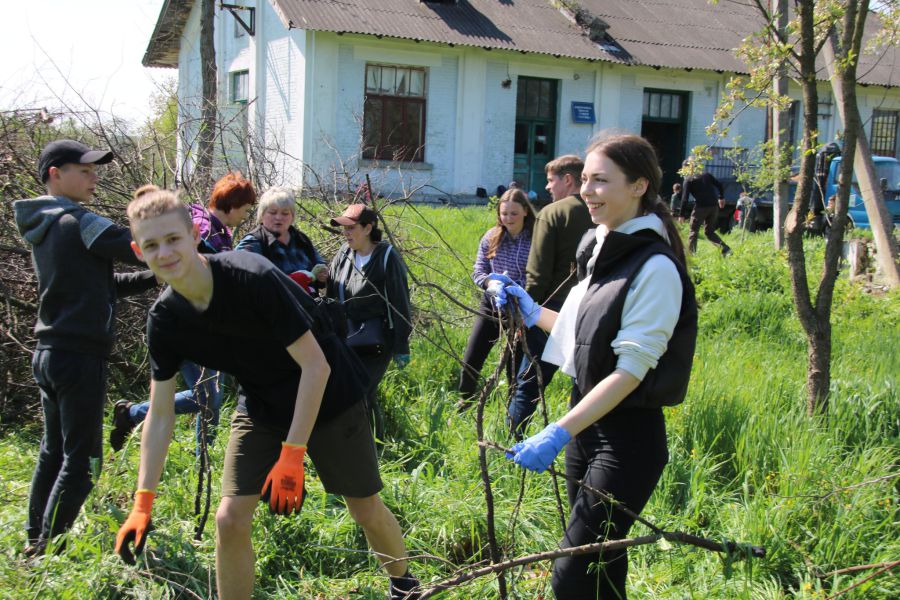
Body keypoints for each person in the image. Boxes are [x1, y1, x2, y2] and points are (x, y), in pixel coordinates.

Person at [115, 191, 421, 600]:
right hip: (262, 402)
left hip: (329, 396)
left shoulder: (250, 276)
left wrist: (292, 455)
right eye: (151, 245)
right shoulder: (166, 321)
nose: (165, 252)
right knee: (230, 518)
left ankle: (404, 585)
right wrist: (142, 501)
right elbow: (161, 414)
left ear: (193, 234)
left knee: (363, 507)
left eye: (173, 239)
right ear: (138, 251)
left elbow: (316, 367)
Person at [489, 133, 697, 599]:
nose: (586, 191)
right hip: (587, 428)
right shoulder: (603, 248)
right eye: (584, 179)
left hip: (625, 440)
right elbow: (582, 333)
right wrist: (529, 309)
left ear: (639, 185)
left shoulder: (654, 267)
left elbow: (630, 371)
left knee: (572, 575)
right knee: (602, 568)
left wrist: (557, 430)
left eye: (601, 180)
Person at [13, 140, 157, 556]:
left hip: (50, 351)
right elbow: (138, 246)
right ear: (56, 173)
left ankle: (34, 542)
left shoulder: (48, 224)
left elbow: (103, 287)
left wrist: (153, 278)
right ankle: (47, 552)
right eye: (85, 170)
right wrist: (180, 245)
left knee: (53, 451)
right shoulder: (79, 222)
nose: (95, 178)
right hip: (78, 356)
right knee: (83, 461)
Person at [110, 173, 258, 453]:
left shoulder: (220, 230)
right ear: (232, 204)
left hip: (212, 324)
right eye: (246, 208)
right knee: (208, 395)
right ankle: (134, 414)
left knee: (208, 395)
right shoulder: (200, 225)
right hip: (189, 321)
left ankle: (203, 455)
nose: (245, 214)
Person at [508, 155, 593, 437]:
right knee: (584, 386)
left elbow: (537, 274)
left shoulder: (554, 213)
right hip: (594, 311)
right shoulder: (607, 213)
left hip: (550, 312)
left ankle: (512, 444)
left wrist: (524, 314)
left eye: (550, 180)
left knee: (529, 383)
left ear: (567, 180)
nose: (547, 187)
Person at [325, 204, 412, 439]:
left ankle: (372, 444)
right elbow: (331, 296)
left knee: (361, 392)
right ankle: (368, 442)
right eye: (344, 228)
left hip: (377, 342)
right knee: (355, 394)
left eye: (351, 228)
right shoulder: (343, 254)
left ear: (368, 228)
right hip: (347, 339)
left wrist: (401, 345)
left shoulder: (386, 257)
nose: (346, 233)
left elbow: (400, 302)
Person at [457, 188, 535, 405]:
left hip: (521, 308)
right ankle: (465, 402)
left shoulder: (535, 240)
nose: (508, 218)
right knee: (472, 357)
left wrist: (518, 289)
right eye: (504, 213)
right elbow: (479, 269)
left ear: (526, 212)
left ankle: (513, 412)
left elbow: (539, 274)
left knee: (515, 364)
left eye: (514, 213)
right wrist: (490, 283)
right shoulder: (491, 236)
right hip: (492, 304)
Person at [235, 187, 327, 295]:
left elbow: (319, 264)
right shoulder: (253, 243)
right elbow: (240, 280)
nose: (278, 218)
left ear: (292, 217)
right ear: (262, 215)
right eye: (273, 213)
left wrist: (322, 275)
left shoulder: (301, 240)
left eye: (285, 213)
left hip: (307, 309)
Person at [681, 160, 732, 255]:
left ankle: (691, 255)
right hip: (714, 207)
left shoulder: (688, 179)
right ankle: (726, 250)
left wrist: (681, 215)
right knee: (709, 232)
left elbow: (684, 199)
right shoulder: (706, 175)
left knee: (693, 231)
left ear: (686, 169)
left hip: (701, 208)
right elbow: (720, 185)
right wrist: (721, 197)